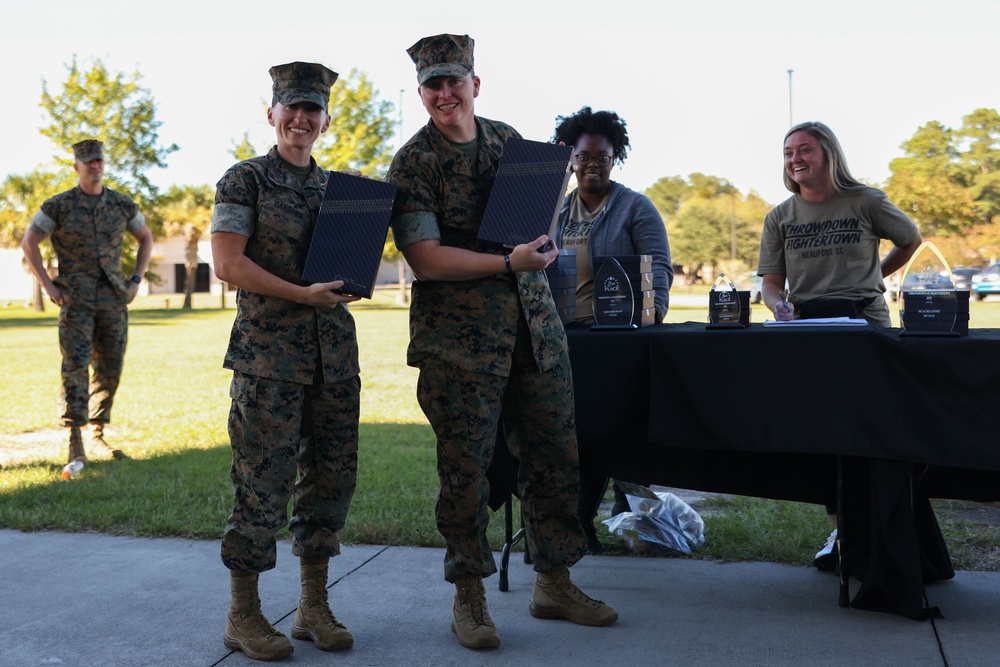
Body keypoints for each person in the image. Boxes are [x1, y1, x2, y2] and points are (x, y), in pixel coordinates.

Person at [386, 33, 618, 650]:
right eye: (432, 84)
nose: (444, 93)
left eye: (453, 81)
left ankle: (554, 582)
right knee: (464, 471)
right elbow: (426, 259)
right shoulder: (414, 162)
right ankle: (469, 597)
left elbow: (536, 226)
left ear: (474, 85)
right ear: (421, 93)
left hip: (534, 331)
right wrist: (507, 263)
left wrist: (539, 230)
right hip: (458, 343)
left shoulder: (510, 141)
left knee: (554, 456)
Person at [210, 62, 362, 661]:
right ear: (271, 113)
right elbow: (228, 264)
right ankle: (243, 615)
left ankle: (312, 607)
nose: (301, 119)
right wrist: (302, 294)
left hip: (333, 359)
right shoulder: (242, 180)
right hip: (269, 357)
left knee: (330, 485)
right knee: (261, 488)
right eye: (290, 108)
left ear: (326, 120)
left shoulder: (342, 193)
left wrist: (345, 287)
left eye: (313, 110)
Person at [756, 120, 922, 569]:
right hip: (810, 329)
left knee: (870, 430)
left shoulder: (865, 201)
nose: (795, 159)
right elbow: (771, 284)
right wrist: (779, 306)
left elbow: (911, 240)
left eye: (805, 150)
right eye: (788, 153)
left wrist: (873, 280)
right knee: (824, 434)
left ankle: (886, 534)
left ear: (829, 153)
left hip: (864, 326)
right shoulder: (780, 216)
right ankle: (842, 535)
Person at [551, 107, 673, 552]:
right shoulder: (558, 210)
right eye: (583, 157)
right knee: (579, 432)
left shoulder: (635, 207)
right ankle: (580, 523)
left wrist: (653, 309)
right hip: (567, 337)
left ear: (615, 157)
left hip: (618, 339)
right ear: (570, 159)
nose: (591, 166)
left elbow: (658, 264)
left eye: (601, 157)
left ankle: (637, 522)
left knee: (618, 430)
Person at [22, 139, 153, 464]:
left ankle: (97, 434)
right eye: (88, 161)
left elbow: (146, 237)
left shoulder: (121, 205)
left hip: (113, 298)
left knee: (110, 366)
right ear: (76, 167)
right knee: (75, 366)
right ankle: (74, 438)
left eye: (98, 160)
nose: (94, 166)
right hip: (75, 299)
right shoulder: (59, 205)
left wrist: (135, 279)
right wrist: (47, 285)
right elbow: (30, 242)